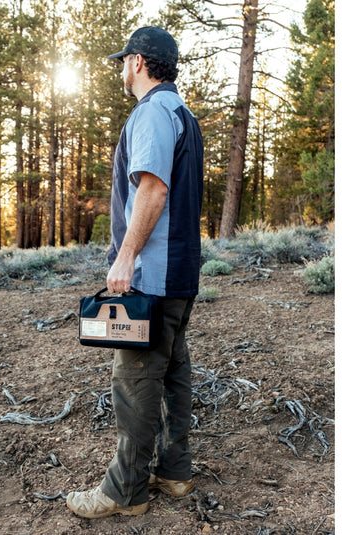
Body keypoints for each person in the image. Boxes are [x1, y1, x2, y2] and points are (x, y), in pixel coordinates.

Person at [66, 26, 204, 519]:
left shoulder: (151, 113)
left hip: (153, 275)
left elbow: (152, 190)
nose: (121, 69)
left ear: (139, 63)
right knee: (173, 373)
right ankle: (173, 472)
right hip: (182, 272)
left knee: (135, 379)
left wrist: (125, 258)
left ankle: (124, 492)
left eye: (123, 60)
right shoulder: (182, 113)